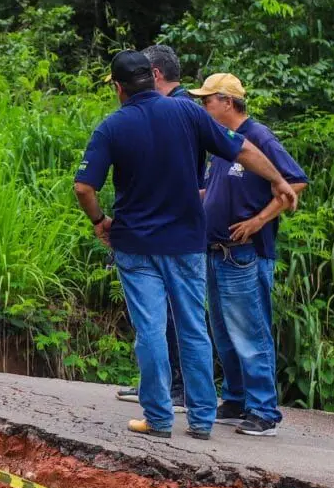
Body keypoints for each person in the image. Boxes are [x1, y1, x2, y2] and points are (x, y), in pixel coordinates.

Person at [73, 51, 298, 440]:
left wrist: (99, 222)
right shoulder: (189, 114)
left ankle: (159, 418)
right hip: (187, 244)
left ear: (118, 86)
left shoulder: (112, 126)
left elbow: (83, 186)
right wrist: (278, 180)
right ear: (152, 76)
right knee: (194, 328)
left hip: (136, 244)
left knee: (151, 330)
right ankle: (201, 420)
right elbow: (241, 148)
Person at [193, 73, 309, 437]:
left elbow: (295, 181)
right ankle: (236, 398)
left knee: (249, 329)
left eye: (207, 100)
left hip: (245, 252)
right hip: (215, 249)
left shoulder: (258, 138)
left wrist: (259, 220)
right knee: (224, 331)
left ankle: (263, 409)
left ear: (227, 101)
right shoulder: (220, 143)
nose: (203, 107)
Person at [117, 43, 199, 408]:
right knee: (164, 317)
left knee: (174, 317)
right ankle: (165, 390)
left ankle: (175, 391)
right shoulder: (173, 110)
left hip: (169, 228)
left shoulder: (179, 108)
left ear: (155, 76)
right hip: (168, 226)